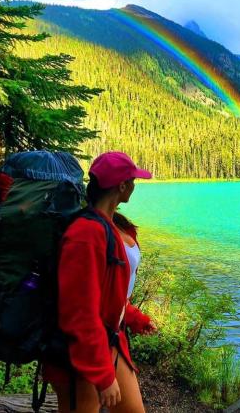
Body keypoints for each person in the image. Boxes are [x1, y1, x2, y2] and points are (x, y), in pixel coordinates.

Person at [43, 151, 156, 413]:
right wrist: (103, 377)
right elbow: (79, 312)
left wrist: (134, 316)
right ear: (122, 186)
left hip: (109, 341)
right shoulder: (86, 233)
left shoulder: (112, 224)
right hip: (79, 353)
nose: (136, 185)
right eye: (134, 180)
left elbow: (108, 292)